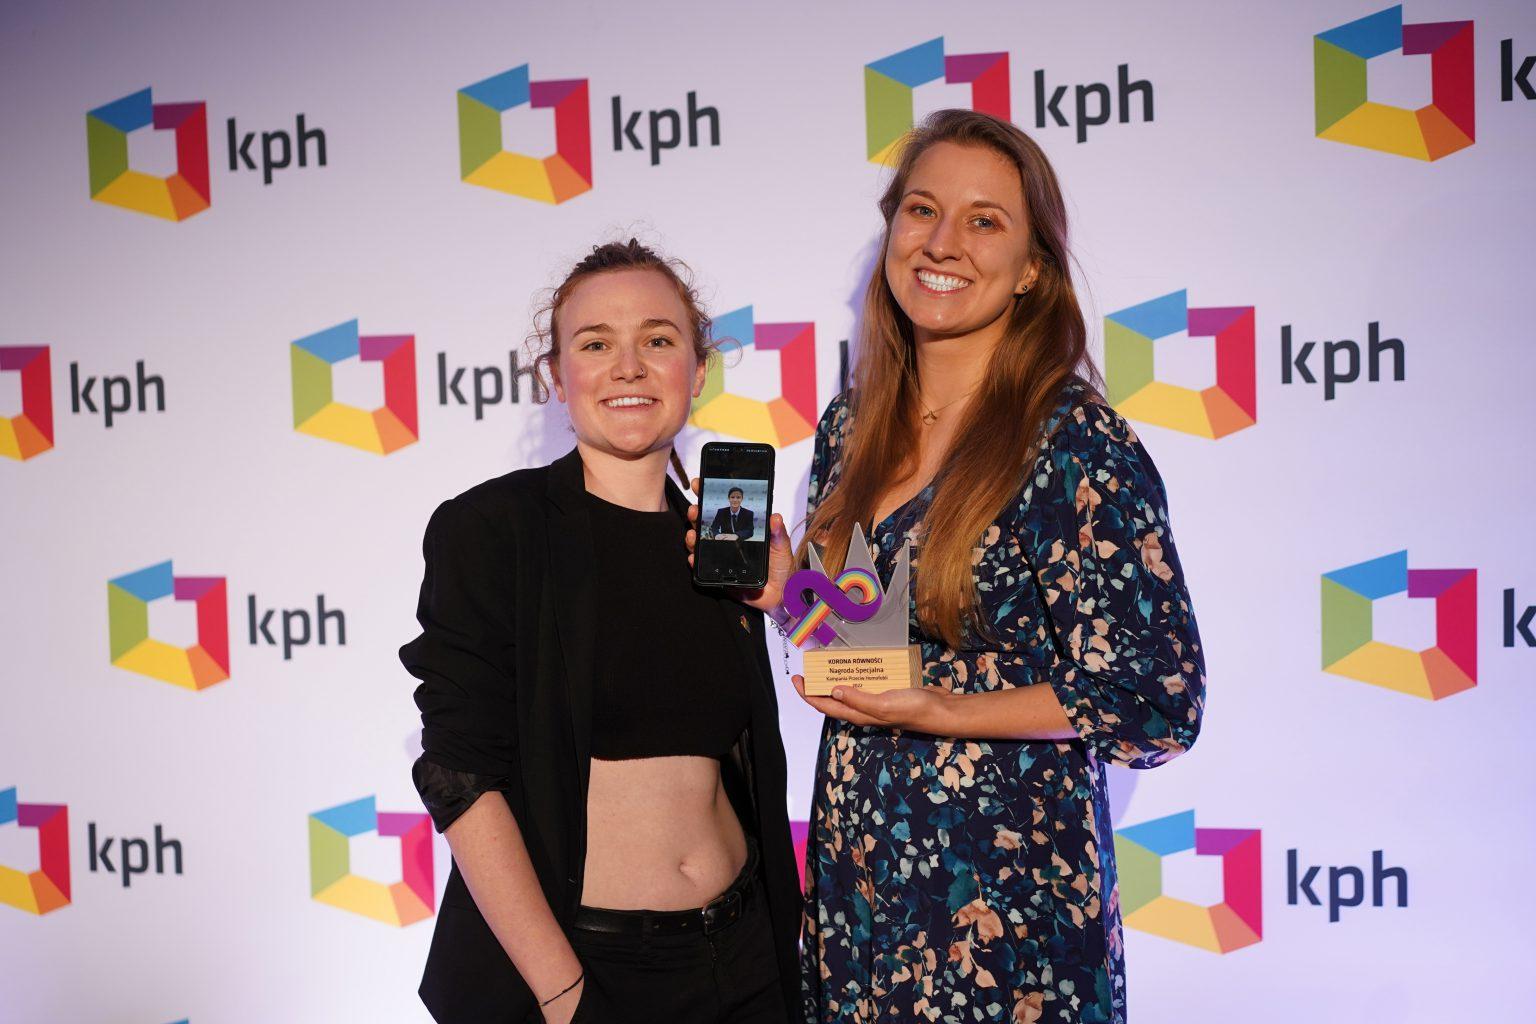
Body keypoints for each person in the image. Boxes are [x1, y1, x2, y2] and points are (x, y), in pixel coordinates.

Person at [793, 110, 1206, 1023]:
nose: (943, 243)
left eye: (984, 221)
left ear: (1031, 269)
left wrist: (943, 709)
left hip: (1005, 913)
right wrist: (789, 590)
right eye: (922, 210)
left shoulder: (1071, 440)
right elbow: (866, 650)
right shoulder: (848, 430)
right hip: (863, 890)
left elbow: (1157, 700)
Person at [401, 240, 802, 1024]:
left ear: (697, 369)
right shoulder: (494, 529)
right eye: (595, 344)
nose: (628, 367)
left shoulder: (724, 542)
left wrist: (787, 606)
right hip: (588, 972)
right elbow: (459, 775)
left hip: (748, 960)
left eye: (658, 339)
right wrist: (564, 995)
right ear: (556, 376)